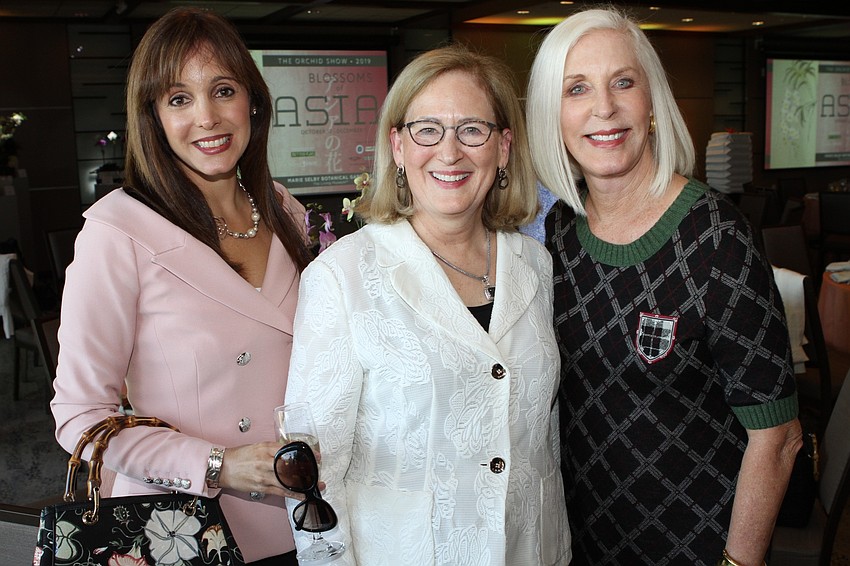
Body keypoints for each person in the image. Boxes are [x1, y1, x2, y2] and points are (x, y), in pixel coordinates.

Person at [525, 8, 802, 566]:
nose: (604, 108)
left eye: (623, 82)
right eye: (577, 88)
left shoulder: (718, 238)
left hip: (701, 550)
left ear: (652, 101)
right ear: (551, 115)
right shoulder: (556, 236)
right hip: (578, 545)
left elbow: (778, 438)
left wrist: (737, 564)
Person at [283, 44, 571, 565]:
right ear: (397, 145)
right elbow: (313, 474)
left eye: (472, 130)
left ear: (504, 147)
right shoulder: (341, 277)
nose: (450, 151)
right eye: (427, 129)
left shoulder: (537, 266)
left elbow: (541, 440)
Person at [50, 8, 313, 565]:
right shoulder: (118, 232)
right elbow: (80, 419)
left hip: (306, 520)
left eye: (223, 90)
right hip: (184, 530)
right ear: (153, 117)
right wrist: (220, 464)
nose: (208, 118)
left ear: (253, 101)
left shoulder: (284, 208)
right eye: (179, 99)